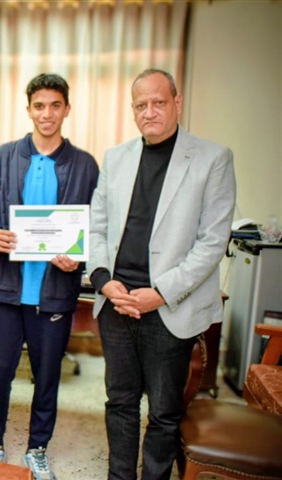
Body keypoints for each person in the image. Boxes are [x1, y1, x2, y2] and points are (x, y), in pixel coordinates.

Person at [88, 68, 236, 479]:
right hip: (117, 303)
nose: (149, 112)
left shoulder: (213, 158)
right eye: (141, 105)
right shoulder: (115, 158)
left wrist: (162, 292)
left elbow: (212, 243)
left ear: (177, 103)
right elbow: (96, 227)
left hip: (169, 307)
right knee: (120, 401)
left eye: (158, 102)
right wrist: (103, 280)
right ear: (132, 109)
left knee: (164, 412)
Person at [0, 73, 99, 480]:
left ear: (67, 109)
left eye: (55, 105)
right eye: (39, 106)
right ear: (28, 109)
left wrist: (78, 260)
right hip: (4, 289)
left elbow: (93, 225)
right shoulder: (3, 157)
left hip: (55, 292)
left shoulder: (85, 164)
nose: (47, 114)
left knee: (47, 376)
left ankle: (38, 448)